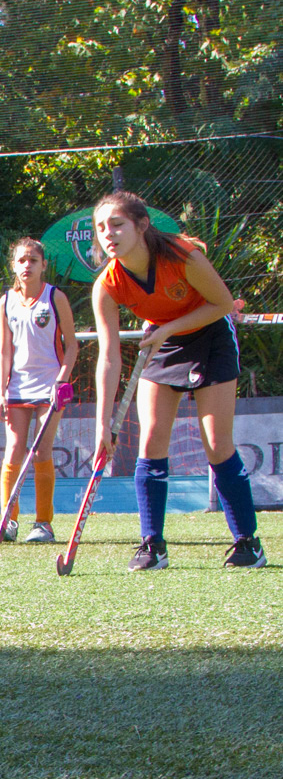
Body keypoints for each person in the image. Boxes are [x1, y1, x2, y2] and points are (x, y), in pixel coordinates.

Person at [90, 191, 264, 569]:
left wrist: (167, 328)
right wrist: (103, 421)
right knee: (150, 440)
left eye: (117, 224)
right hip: (163, 342)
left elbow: (222, 304)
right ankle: (152, 545)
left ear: (141, 225)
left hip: (210, 334)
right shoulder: (107, 284)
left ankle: (248, 542)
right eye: (101, 227)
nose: (109, 234)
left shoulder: (183, 255)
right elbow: (109, 355)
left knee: (216, 444)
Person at [0, 238, 78, 544]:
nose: (26, 266)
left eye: (33, 260)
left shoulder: (55, 298)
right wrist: (1, 392)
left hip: (49, 386)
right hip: (17, 386)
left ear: (44, 265)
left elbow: (72, 346)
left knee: (42, 449)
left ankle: (44, 524)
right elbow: (4, 350)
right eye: (21, 260)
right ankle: (9, 518)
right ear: (13, 265)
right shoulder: (6, 302)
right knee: (14, 448)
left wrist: (62, 380)